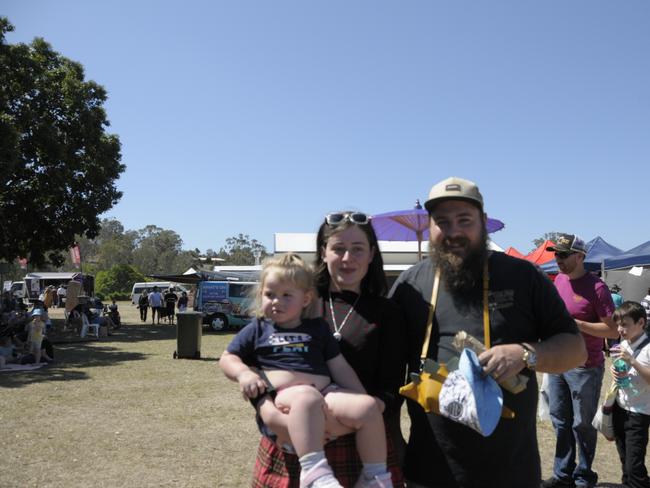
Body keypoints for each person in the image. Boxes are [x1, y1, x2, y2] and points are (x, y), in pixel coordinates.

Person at [389, 177, 586, 488]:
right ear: (431, 227)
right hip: (429, 470)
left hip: (509, 472)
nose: (453, 231)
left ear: (482, 222)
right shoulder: (410, 284)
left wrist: (526, 354)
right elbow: (386, 373)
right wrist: (392, 446)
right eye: (442, 222)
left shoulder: (523, 276)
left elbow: (576, 349)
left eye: (464, 220)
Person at [250, 211, 406, 487]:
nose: (348, 258)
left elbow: (392, 390)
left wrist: (344, 424)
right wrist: (268, 414)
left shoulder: (388, 313)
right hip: (292, 444)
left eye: (357, 249)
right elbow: (259, 364)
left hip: (361, 449)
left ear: (371, 254)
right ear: (323, 252)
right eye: (338, 248)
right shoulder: (296, 301)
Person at [221, 253, 392, 487]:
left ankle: (375, 476)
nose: (276, 301)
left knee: (369, 407)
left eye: (286, 295)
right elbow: (228, 357)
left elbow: (340, 366)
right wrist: (244, 373)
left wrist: (361, 397)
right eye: (269, 294)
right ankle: (314, 472)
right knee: (306, 396)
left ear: (305, 299)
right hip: (289, 398)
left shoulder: (318, 328)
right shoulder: (258, 329)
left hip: (326, 394)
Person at [544, 233, 618, 488]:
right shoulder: (559, 281)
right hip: (557, 363)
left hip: (585, 367)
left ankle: (584, 476)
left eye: (564, 255)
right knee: (559, 420)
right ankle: (563, 473)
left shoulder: (597, 287)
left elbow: (613, 331)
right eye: (556, 254)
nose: (558, 260)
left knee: (582, 424)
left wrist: (578, 324)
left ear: (580, 256)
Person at [609, 301, 650, 488]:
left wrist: (632, 360)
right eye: (618, 324)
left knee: (634, 466)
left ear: (641, 323)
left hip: (639, 412)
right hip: (620, 406)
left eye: (625, 324)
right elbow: (622, 370)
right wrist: (615, 371)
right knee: (625, 460)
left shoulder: (648, 348)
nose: (620, 329)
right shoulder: (624, 343)